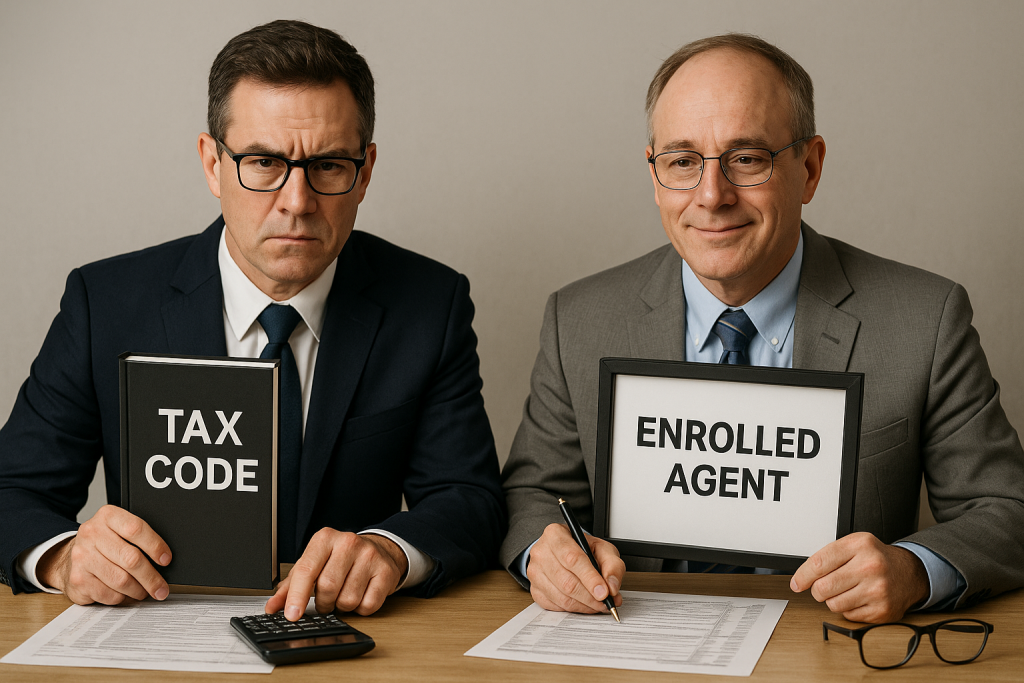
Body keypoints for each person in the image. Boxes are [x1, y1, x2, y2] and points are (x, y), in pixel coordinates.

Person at [500, 34, 1024, 624]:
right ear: (654, 174)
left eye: (747, 159)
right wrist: (543, 553)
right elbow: (533, 495)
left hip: (829, 652)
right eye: (682, 162)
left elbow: (1005, 509)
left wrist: (913, 570)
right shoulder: (579, 320)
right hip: (635, 643)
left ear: (811, 166)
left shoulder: (924, 319)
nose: (712, 196)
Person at [0, 19, 506, 620]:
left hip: (349, 641)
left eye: (328, 165)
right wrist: (62, 559)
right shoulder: (105, 302)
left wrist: (389, 550)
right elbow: (13, 492)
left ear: (365, 171)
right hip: (157, 630)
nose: (297, 200)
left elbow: (468, 500)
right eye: (264, 162)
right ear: (212, 164)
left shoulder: (429, 303)